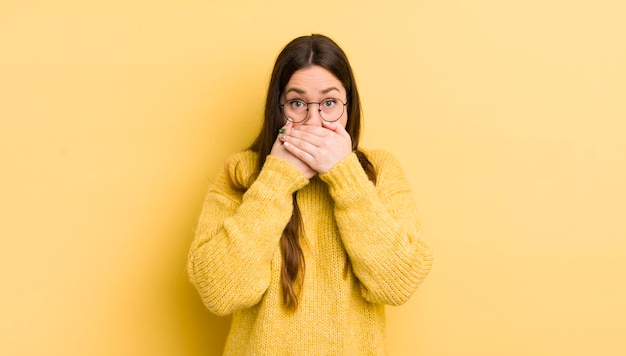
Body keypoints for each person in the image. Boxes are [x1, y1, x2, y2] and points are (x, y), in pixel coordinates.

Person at [187, 34, 433, 355]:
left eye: (329, 103)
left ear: (348, 107)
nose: (313, 120)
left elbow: (397, 284)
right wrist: (277, 178)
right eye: (298, 103)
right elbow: (220, 292)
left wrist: (346, 176)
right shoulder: (241, 172)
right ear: (279, 108)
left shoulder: (379, 171)